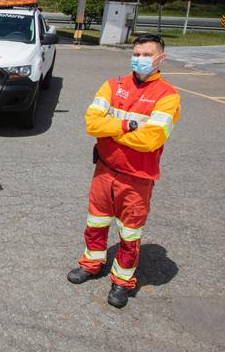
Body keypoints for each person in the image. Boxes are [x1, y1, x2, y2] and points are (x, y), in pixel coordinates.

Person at [68, 34, 181, 308]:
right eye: (137, 53)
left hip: (138, 177)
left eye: (147, 54)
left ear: (160, 58)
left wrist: (112, 130)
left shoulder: (168, 95)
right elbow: (92, 124)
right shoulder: (112, 85)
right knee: (96, 222)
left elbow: (151, 140)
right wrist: (127, 126)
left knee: (129, 233)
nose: (141, 58)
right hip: (105, 170)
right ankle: (92, 263)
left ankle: (122, 281)